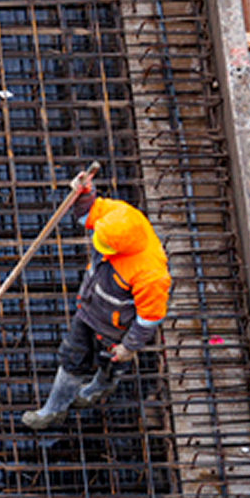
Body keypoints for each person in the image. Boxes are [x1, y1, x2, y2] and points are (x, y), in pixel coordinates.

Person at [21, 182, 170, 431]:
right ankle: (52, 411)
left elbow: (149, 317)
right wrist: (84, 193)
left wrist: (128, 346)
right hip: (89, 310)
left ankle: (98, 388)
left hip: (115, 329)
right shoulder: (119, 215)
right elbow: (87, 213)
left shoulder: (150, 275)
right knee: (72, 358)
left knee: (112, 362)